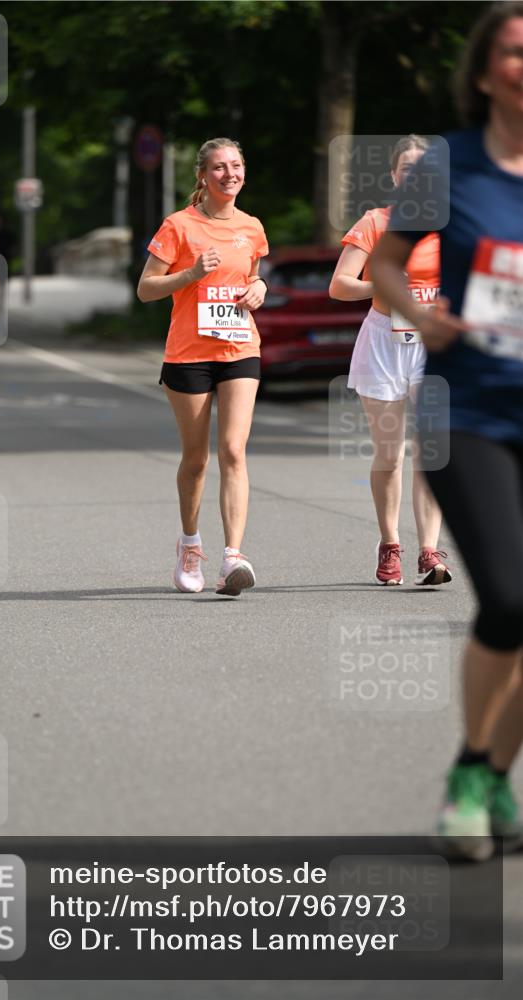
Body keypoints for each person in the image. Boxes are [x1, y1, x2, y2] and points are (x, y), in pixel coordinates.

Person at [370, 2, 523, 859]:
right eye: (509, 52)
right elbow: (387, 263)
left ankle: (491, 777)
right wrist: (420, 320)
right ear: (481, 71)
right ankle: (473, 770)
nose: (522, 65)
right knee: (508, 597)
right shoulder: (446, 163)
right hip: (467, 410)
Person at [137, 138, 269, 596]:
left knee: (234, 450)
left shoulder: (251, 227)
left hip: (239, 349)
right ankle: (190, 544)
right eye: (218, 167)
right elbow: (146, 289)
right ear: (203, 176)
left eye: (235, 165)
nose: (228, 174)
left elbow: (249, 276)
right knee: (196, 459)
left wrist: (260, 289)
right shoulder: (178, 226)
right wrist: (191, 274)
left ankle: (234, 557)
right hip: (189, 354)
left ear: (244, 172)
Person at [330, 135, 451, 588]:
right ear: (394, 177)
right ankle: (390, 543)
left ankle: (429, 550)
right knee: (389, 454)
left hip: (431, 345)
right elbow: (339, 285)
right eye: (406, 170)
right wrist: (381, 285)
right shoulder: (376, 222)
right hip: (383, 341)